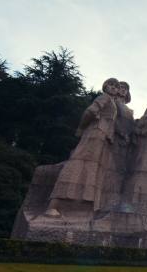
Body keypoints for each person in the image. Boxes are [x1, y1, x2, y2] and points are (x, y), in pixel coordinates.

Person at [45, 78, 119, 215]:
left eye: (116, 86)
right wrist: (81, 127)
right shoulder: (104, 97)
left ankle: (81, 207)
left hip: (102, 137)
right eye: (111, 85)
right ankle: (54, 205)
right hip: (95, 133)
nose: (114, 87)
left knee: (91, 169)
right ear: (105, 86)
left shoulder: (112, 102)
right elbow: (90, 111)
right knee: (78, 164)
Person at [98, 80, 135, 212]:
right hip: (112, 138)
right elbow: (112, 119)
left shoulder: (129, 110)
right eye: (121, 87)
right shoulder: (111, 102)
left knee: (120, 171)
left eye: (126, 88)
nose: (123, 89)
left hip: (126, 143)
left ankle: (113, 202)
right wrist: (121, 132)